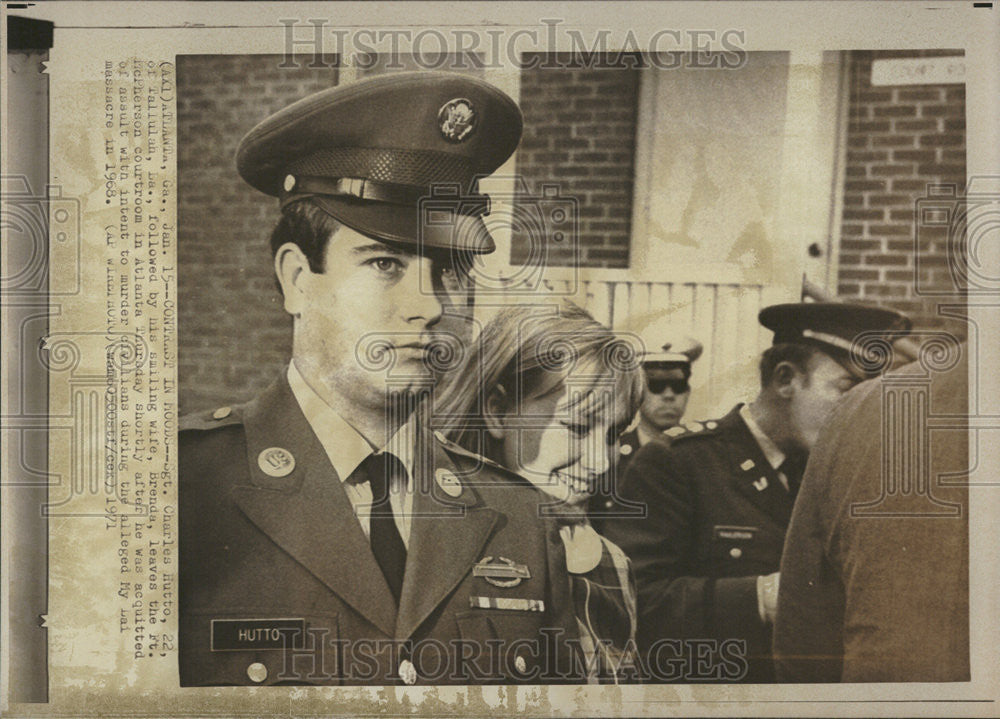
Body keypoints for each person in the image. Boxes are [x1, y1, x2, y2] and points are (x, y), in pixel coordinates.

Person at [179, 72, 586, 686]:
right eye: (385, 263)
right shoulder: (177, 494)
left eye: (449, 269)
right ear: (296, 279)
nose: (427, 306)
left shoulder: (523, 520)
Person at [602, 302, 911, 682]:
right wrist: (762, 597)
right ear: (785, 380)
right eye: (846, 391)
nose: (859, 412)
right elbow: (629, 601)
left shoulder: (836, 471)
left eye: (870, 397)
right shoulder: (679, 462)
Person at [432, 302, 644, 682]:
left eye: (614, 435)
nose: (600, 463)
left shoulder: (611, 563)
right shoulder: (426, 545)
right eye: (578, 427)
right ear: (497, 410)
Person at [773, 348, 968, 682]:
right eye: (846, 385)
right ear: (786, 380)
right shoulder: (687, 462)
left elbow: (801, 645)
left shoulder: (856, 416)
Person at [589, 335, 702, 528]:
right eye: (656, 385)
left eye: (678, 385)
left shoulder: (702, 459)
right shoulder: (607, 458)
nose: (668, 395)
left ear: (688, 392)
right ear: (637, 392)